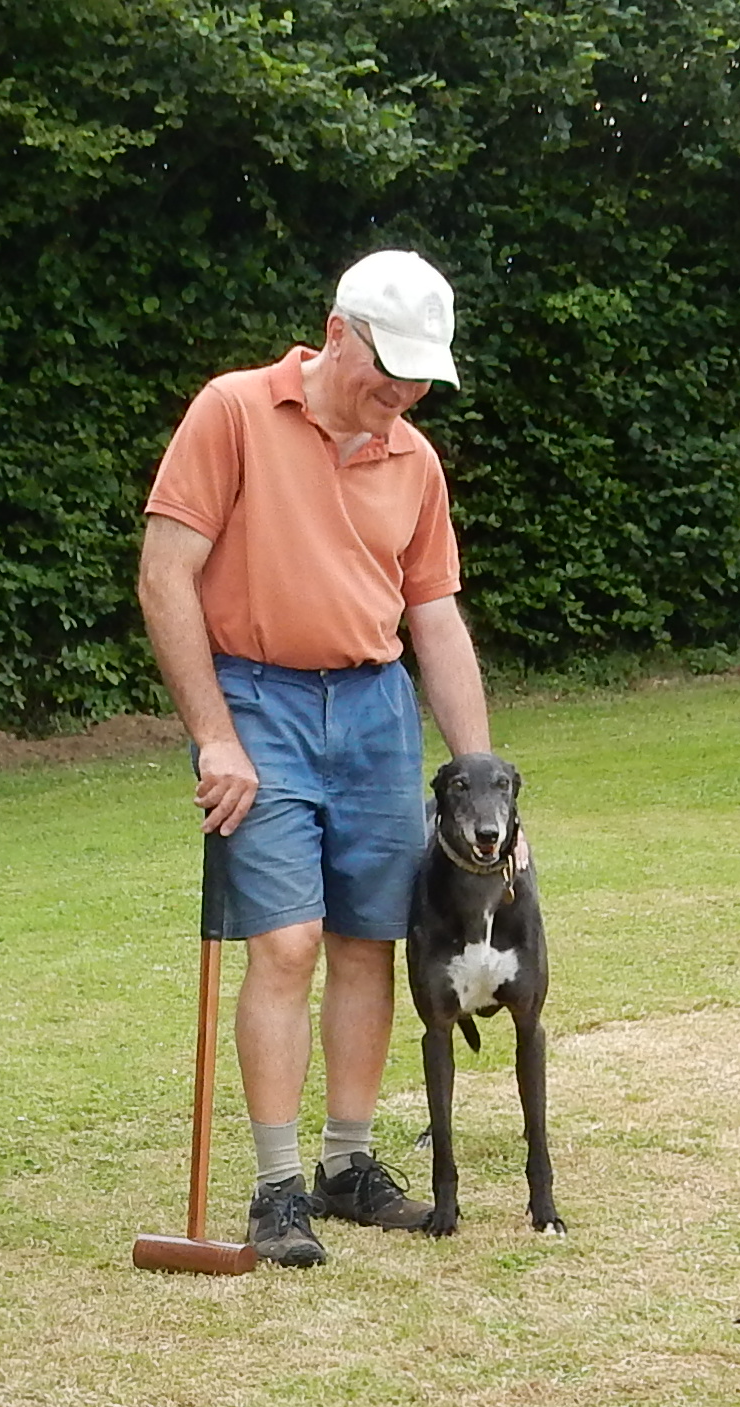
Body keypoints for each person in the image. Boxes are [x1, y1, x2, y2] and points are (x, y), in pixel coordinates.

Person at [136, 248, 497, 1268]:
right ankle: (277, 1186)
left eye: (423, 378)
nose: (404, 394)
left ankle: (347, 1165)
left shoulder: (413, 460)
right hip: (258, 699)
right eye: (391, 371)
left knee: (364, 940)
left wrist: (482, 781)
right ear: (339, 332)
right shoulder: (234, 412)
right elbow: (167, 576)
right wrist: (213, 731)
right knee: (285, 944)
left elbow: (434, 617)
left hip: (376, 709)